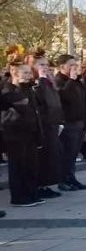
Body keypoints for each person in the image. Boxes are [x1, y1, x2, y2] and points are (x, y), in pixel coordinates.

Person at [1, 57, 43, 207]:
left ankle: (31, 193)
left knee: (30, 165)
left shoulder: (28, 89)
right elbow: (11, 114)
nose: (28, 75)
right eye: (24, 73)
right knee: (18, 166)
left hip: (30, 133)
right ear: (14, 73)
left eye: (29, 72)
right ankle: (18, 197)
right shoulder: (8, 91)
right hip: (15, 135)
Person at [53, 54, 86, 192]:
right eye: (71, 65)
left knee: (74, 153)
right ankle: (63, 180)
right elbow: (63, 96)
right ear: (62, 67)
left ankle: (71, 177)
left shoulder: (77, 81)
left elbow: (83, 100)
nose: (74, 68)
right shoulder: (59, 81)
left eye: (75, 65)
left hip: (80, 121)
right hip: (68, 122)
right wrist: (72, 81)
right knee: (67, 153)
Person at [32, 52, 64, 199]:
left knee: (52, 156)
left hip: (53, 123)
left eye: (46, 65)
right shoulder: (37, 83)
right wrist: (41, 80)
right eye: (41, 65)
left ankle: (45, 184)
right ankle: (39, 185)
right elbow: (40, 101)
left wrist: (59, 122)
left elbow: (55, 102)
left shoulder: (49, 81)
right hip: (43, 125)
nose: (45, 68)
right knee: (43, 157)